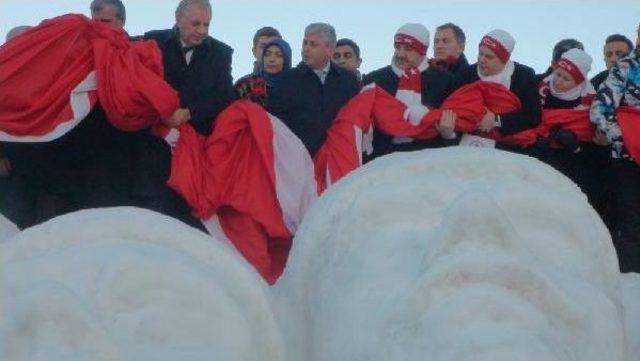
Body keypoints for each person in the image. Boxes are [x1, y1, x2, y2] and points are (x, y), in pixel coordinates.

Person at [132, 0, 234, 228]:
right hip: (150, 144)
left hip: (194, 146)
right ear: (178, 20)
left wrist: (188, 113)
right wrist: (161, 111)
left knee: (185, 213)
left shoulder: (221, 53)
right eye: (196, 24)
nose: (202, 31)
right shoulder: (152, 40)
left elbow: (224, 96)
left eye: (207, 25)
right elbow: (135, 80)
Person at [362, 23, 455, 158]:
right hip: (382, 161)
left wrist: (448, 133)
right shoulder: (374, 80)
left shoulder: (444, 81)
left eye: (408, 49)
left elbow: (454, 126)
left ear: (422, 52)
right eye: (397, 47)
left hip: (428, 160)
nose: (400, 54)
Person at [590, 24, 640, 273]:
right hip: (627, 158)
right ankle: (631, 284)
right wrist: (625, 137)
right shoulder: (626, 69)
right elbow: (599, 109)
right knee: (630, 221)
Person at [268, 23, 360, 157]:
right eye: (305, 43)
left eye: (313, 44)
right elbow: (277, 124)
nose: (306, 49)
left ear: (329, 49)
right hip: (299, 160)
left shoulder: (348, 81)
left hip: (336, 161)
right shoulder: (286, 80)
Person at [454, 29, 541, 153]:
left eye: (489, 57)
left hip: (509, 148)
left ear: (503, 59)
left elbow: (532, 116)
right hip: (468, 144)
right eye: (480, 54)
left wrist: (496, 120)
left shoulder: (524, 76)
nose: (482, 60)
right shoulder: (466, 75)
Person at [235, 38, 292, 107]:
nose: (271, 59)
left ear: (286, 60)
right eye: (267, 54)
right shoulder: (246, 84)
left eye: (278, 55)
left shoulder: (295, 87)